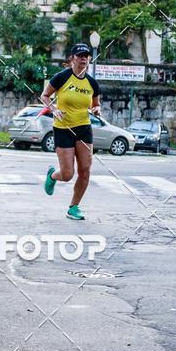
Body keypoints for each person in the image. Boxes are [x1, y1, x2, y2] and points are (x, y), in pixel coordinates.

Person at [41, 43, 101, 220]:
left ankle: (73, 207)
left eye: (86, 56)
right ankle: (53, 176)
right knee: (67, 174)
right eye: (80, 55)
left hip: (84, 128)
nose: (83, 58)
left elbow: (96, 104)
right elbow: (44, 96)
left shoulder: (92, 83)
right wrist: (53, 109)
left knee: (85, 170)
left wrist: (97, 109)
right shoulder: (62, 77)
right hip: (63, 128)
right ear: (72, 58)